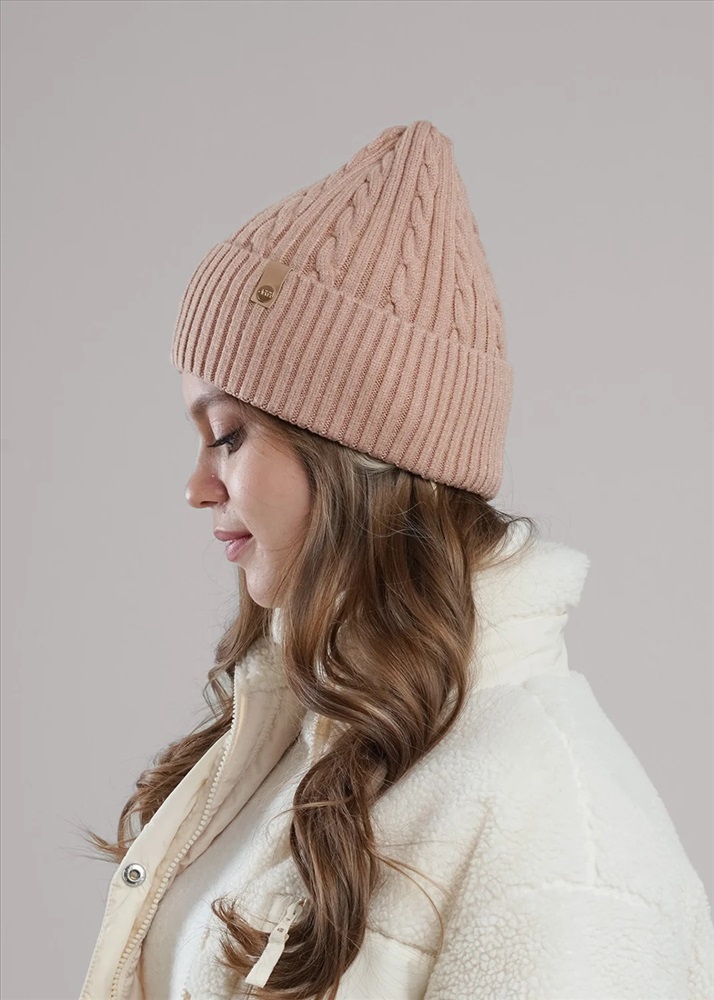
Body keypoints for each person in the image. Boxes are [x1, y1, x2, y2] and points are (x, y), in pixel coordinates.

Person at [78, 120, 714, 1000]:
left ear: (355, 452)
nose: (196, 486)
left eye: (227, 435)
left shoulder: (562, 832)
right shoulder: (294, 735)